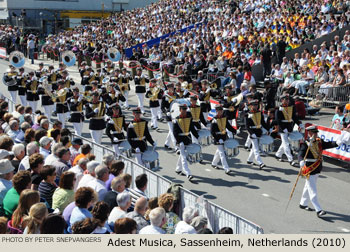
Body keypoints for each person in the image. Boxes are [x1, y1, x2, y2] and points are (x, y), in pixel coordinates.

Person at [298, 125, 342, 218]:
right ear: (309, 133)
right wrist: (301, 161)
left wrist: (337, 143)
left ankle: (303, 203)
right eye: (314, 132)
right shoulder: (305, 143)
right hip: (310, 168)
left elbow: (328, 144)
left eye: (316, 132)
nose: (316, 134)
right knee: (312, 190)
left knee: (308, 186)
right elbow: (300, 154)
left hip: (317, 167)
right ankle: (318, 210)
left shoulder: (319, 141)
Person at [173, 104, 199, 181]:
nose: (184, 111)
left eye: (185, 109)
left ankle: (178, 169)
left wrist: (197, 136)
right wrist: (179, 142)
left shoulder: (189, 118)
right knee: (184, 157)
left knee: (183, 155)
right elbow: (175, 133)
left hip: (187, 139)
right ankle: (188, 173)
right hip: (181, 141)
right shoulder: (176, 120)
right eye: (183, 109)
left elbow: (192, 129)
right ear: (180, 110)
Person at [275, 94, 303, 166]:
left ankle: (278, 155)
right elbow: (278, 120)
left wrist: (299, 123)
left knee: (284, 143)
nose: (287, 101)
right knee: (286, 144)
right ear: (282, 100)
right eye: (285, 99)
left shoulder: (291, 107)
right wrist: (283, 128)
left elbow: (294, 117)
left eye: (287, 99)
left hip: (289, 127)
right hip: (283, 129)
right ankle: (290, 160)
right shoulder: (279, 109)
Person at [210, 104, 236, 174]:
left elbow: (228, 126)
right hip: (218, 138)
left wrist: (235, 131)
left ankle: (214, 163)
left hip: (223, 137)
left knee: (219, 151)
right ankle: (226, 168)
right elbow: (212, 132)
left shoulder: (225, 118)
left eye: (221, 110)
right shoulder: (214, 120)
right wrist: (218, 139)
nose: (220, 112)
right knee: (222, 153)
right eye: (218, 110)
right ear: (216, 111)